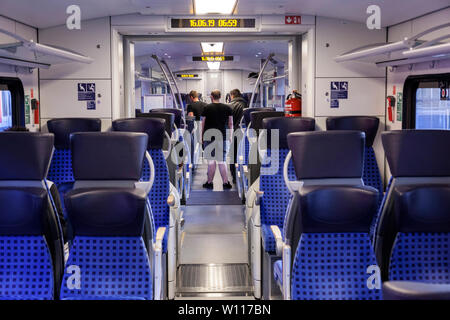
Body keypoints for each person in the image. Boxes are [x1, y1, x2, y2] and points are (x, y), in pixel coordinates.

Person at [201, 90, 233, 190]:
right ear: (220, 96)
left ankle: (209, 183)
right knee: (221, 161)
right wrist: (230, 136)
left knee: (211, 161)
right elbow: (230, 124)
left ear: (211, 96)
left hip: (208, 136)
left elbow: (203, 123)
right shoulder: (228, 108)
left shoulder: (206, 108)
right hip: (222, 136)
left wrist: (201, 136)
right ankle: (226, 183)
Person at [227, 89, 248, 183]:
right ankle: (241, 175)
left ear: (232, 95)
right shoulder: (246, 105)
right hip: (244, 132)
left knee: (233, 154)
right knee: (243, 154)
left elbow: (228, 122)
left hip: (233, 131)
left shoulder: (230, 105)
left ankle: (234, 176)